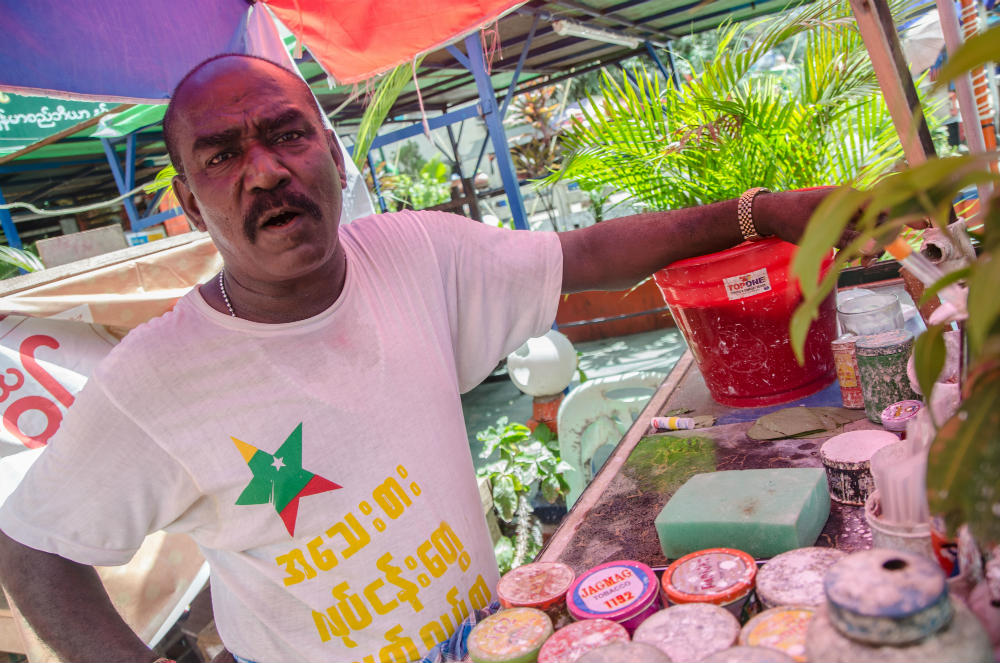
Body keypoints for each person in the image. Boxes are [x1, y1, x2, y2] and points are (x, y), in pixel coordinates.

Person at [0, 54, 839, 663]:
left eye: (286, 134)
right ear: (189, 201)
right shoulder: (155, 379)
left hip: (491, 638)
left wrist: (762, 212)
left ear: (330, 153)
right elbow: (32, 547)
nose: (264, 171)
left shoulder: (413, 255)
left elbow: (584, 255)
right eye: (222, 154)